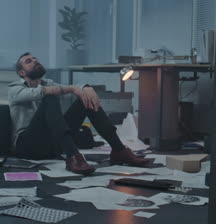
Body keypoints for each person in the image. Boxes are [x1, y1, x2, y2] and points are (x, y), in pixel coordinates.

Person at [8, 53, 149, 175]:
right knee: (50, 97)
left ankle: (119, 150)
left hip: (51, 146)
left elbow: (66, 89)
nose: (35, 61)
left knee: (84, 100)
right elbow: (43, 92)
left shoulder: (49, 83)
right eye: (29, 61)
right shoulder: (14, 89)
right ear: (22, 73)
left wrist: (86, 88)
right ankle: (73, 156)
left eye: (35, 59)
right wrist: (73, 89)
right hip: (28, 146)